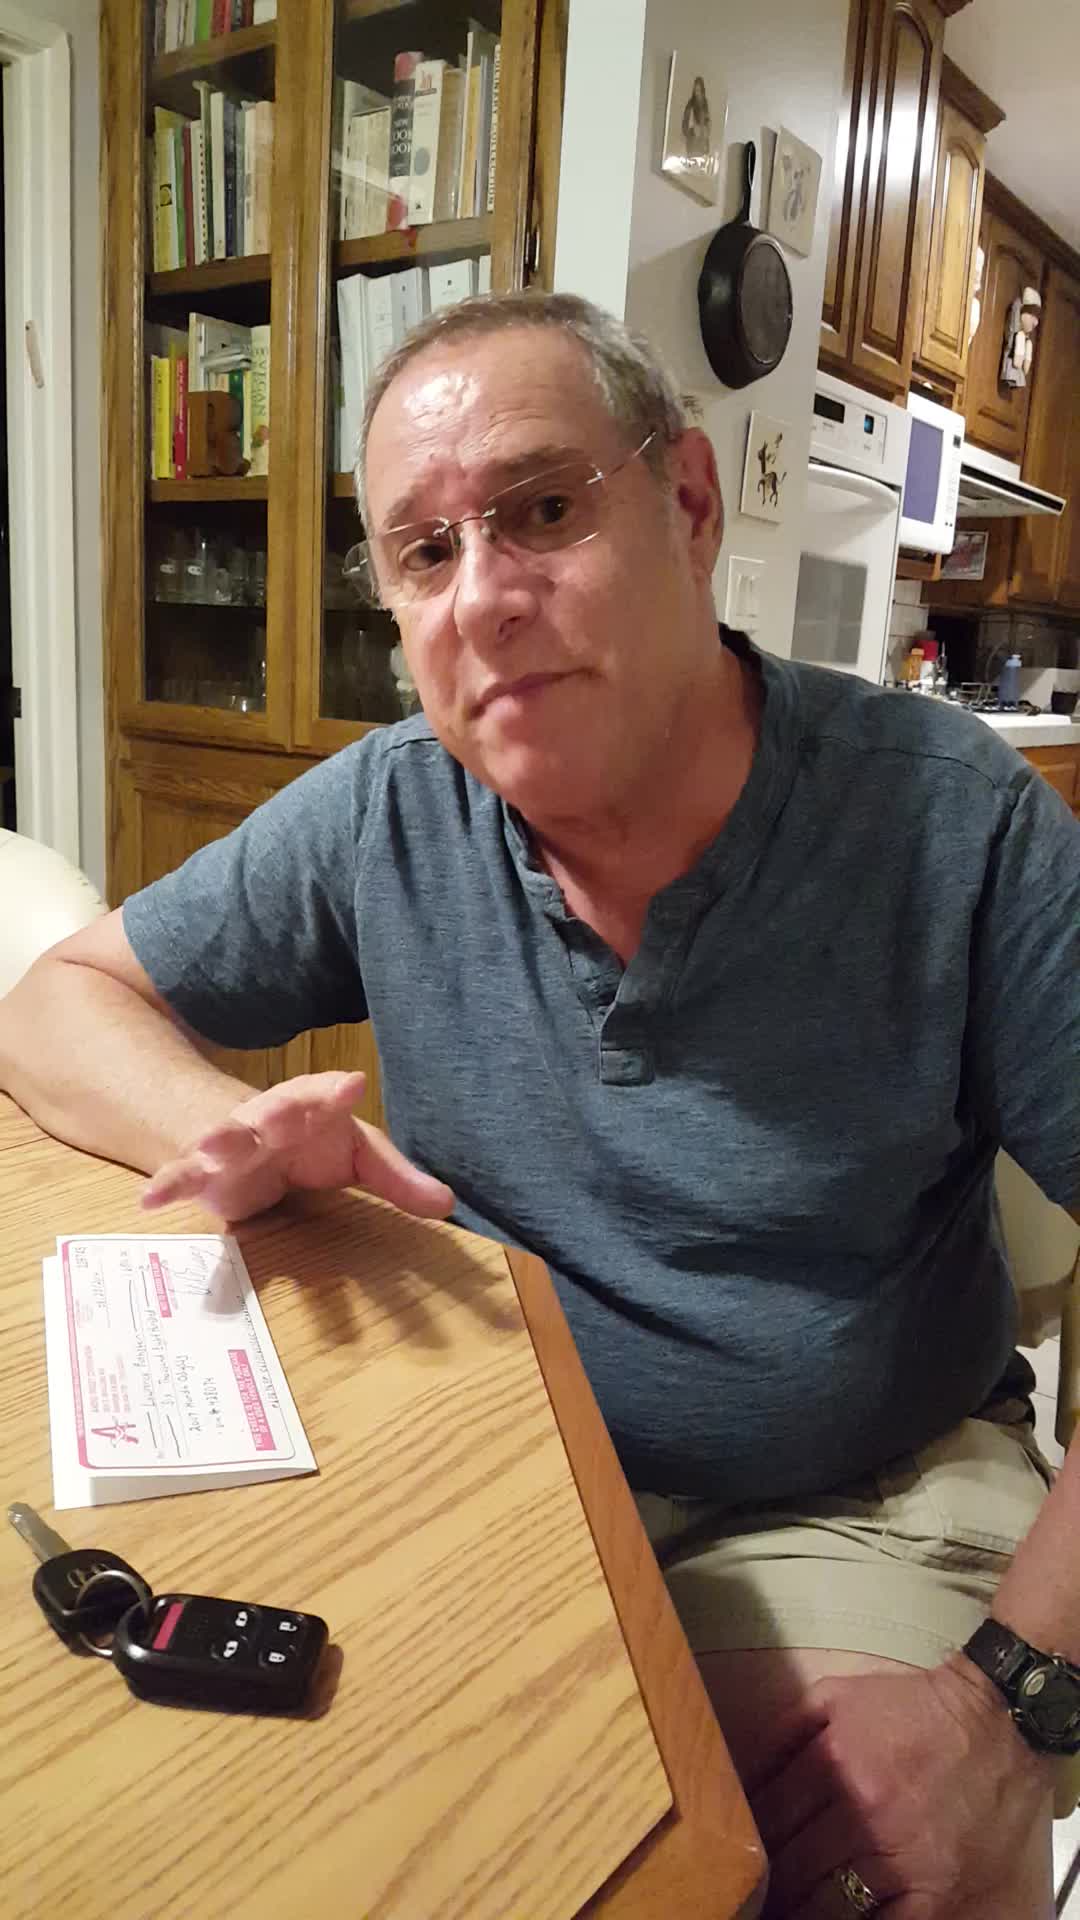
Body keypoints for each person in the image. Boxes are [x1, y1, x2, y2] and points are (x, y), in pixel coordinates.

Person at [2, 290, 1078, 1919]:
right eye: (425, 552)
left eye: (546, 509)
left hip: (860, 1490)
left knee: (820, 1871)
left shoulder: (957, 824)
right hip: (512, 1451)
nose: (485, 598)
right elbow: (53, 1003)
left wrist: (1013, 1701)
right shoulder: (393, 806)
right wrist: (224, 1140)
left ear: (690, 507)